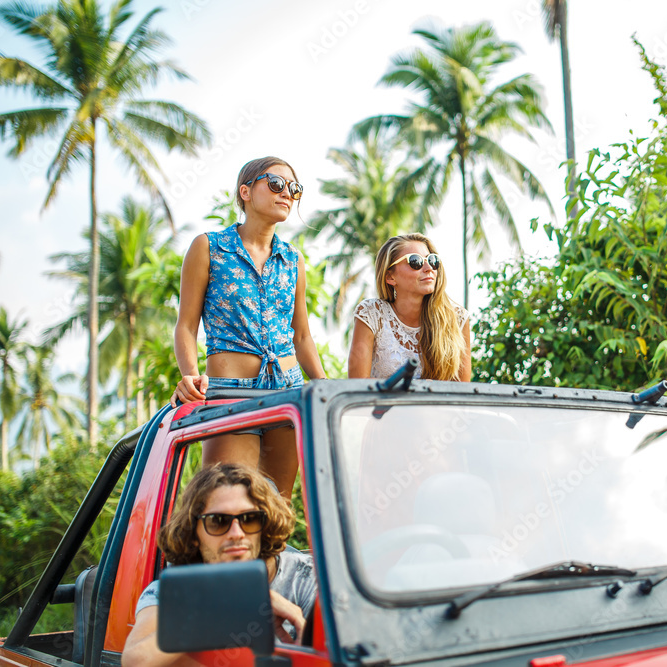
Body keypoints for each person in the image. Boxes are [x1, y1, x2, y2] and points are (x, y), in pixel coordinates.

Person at [169, 156, 327, 497]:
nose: (287, 193)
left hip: (287, 391)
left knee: (278, 506)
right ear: (246, 191)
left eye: (294, 188)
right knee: (228, 499)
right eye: (276, 184)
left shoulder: (293, 259)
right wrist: (190, 375)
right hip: (229, 392)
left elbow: (301, 336)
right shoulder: (209, 247)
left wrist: (324, 386)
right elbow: (186, 326)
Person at [121, 464, 316, 667]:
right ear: (193, 533)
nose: (236, 533)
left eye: (249, 519)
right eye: (218, 521)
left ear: (264, 526)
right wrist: (236, 605)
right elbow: (136, 661)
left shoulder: (308, 578)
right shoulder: (171, 593)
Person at [348, 233, 471, 381]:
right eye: (415, 261)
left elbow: (462, 390)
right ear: (390, 277)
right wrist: (415, 389)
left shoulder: (457, 318)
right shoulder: (372, 314)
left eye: (432, 260)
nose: (428, 268)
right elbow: (357, 383)